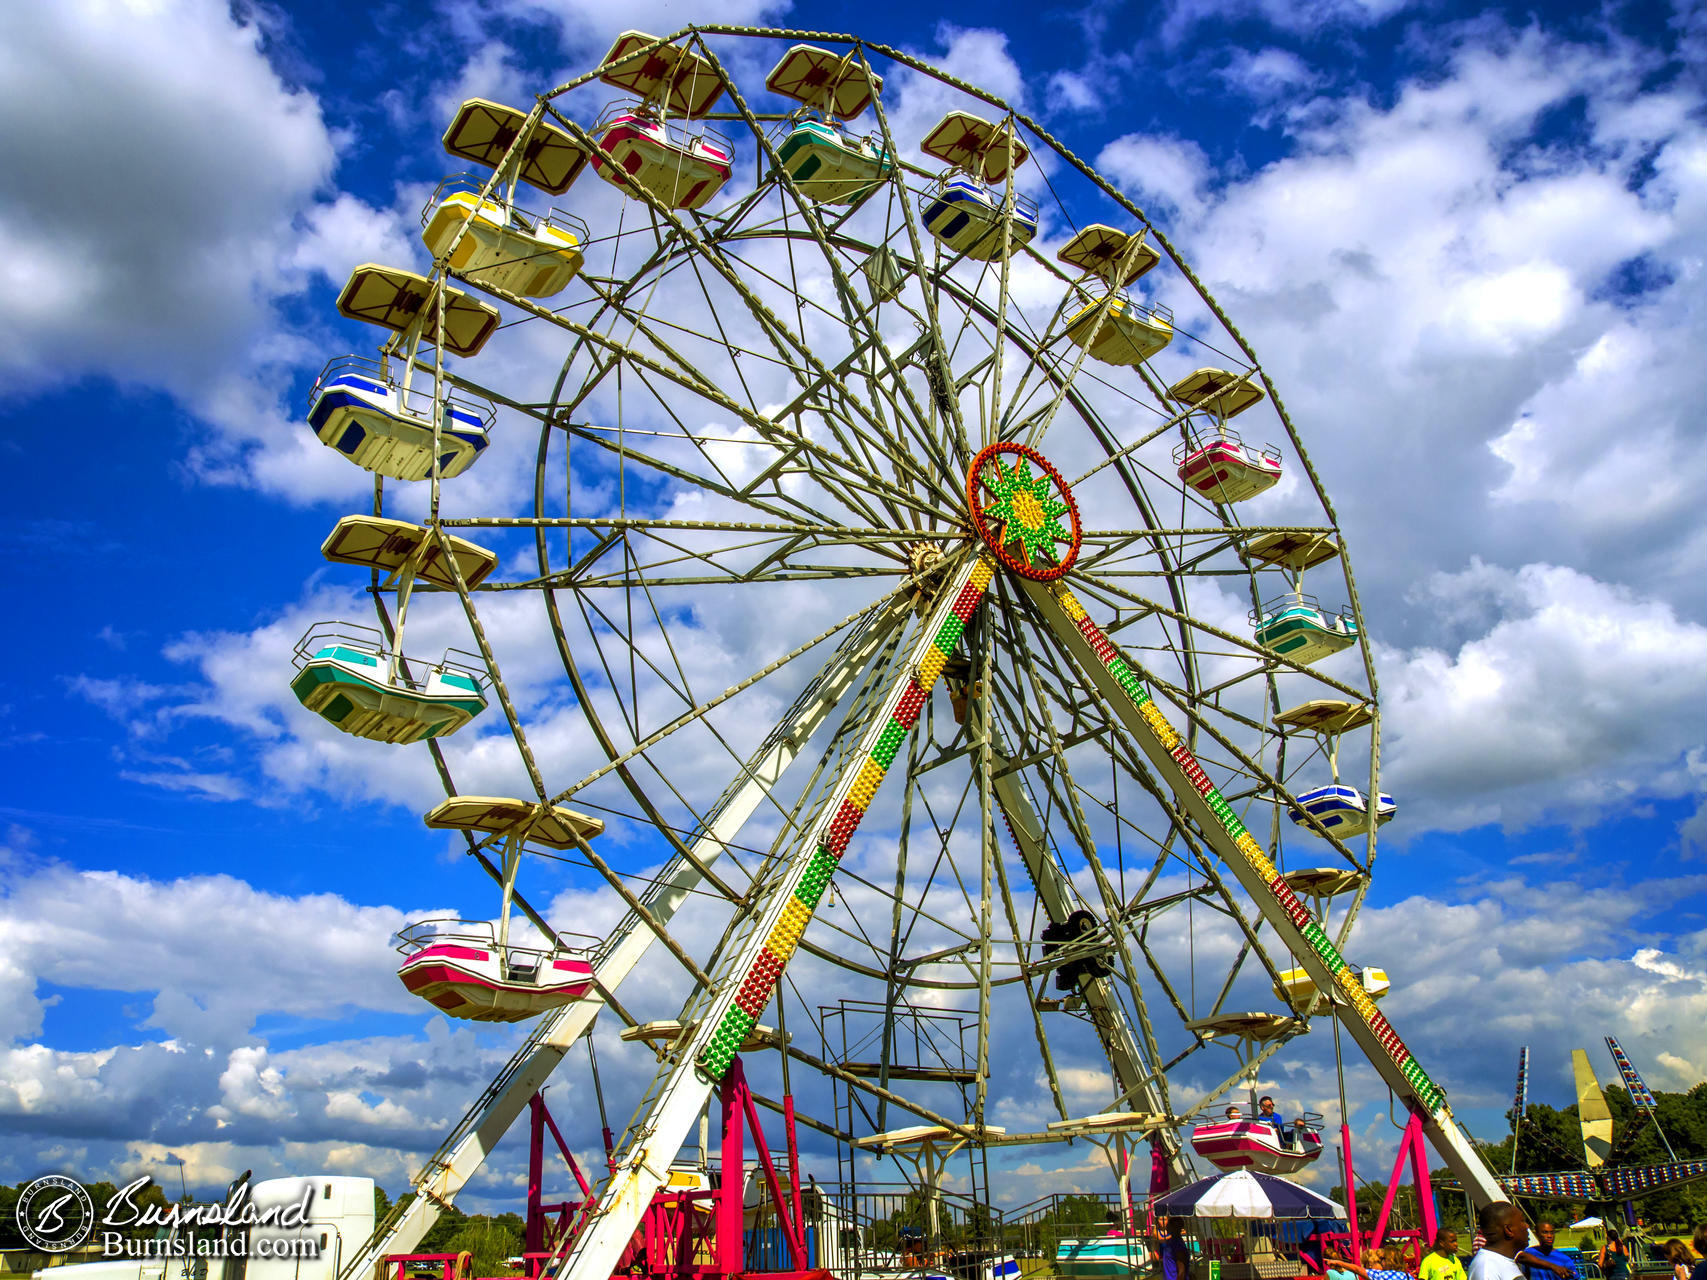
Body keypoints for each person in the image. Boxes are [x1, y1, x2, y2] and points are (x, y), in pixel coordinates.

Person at [1469, 1202, 1529, 1280]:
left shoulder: (1501, 1262)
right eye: (1522, 1221)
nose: (1527, 1226)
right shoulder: (1487, 1269)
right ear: (1508, 1230)